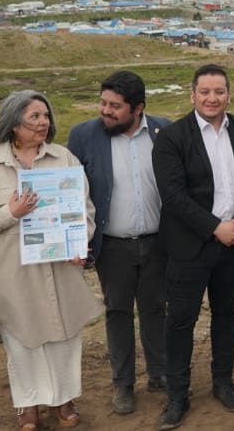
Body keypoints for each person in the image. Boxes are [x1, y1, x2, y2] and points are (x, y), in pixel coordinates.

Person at [0, 90, 102, 430]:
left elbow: (84, 210)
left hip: (58, 265)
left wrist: (77, 242)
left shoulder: (65, 159)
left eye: (46, 116)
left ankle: (64, 397)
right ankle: (27, 404)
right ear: (13, 125)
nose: (44, 123)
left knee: (64, 332)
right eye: (35, 118)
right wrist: (10, 212)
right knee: (22, 338)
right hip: (11, 269)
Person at [151, 65, 234, 428]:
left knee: (226, 314)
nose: (213, 98)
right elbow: (173, 196)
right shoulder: (172, 137)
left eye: (220, 91)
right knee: (181, 321)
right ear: (192, 94)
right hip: (189, 246)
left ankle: (223, 383)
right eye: (205, 92)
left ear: (229, 95)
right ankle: (177, 395)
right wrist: (215, 228)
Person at [66, 71, 172, 417]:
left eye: (115, 106)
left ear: (138, 108)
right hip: (112, 245)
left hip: (158, 242)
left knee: (156, 309)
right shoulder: (83, 136)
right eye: (103, 103)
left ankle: (160, 373)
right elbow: (70, 193)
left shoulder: (164, 131)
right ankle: (123, 383)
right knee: (119, 312)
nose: (106, 111)